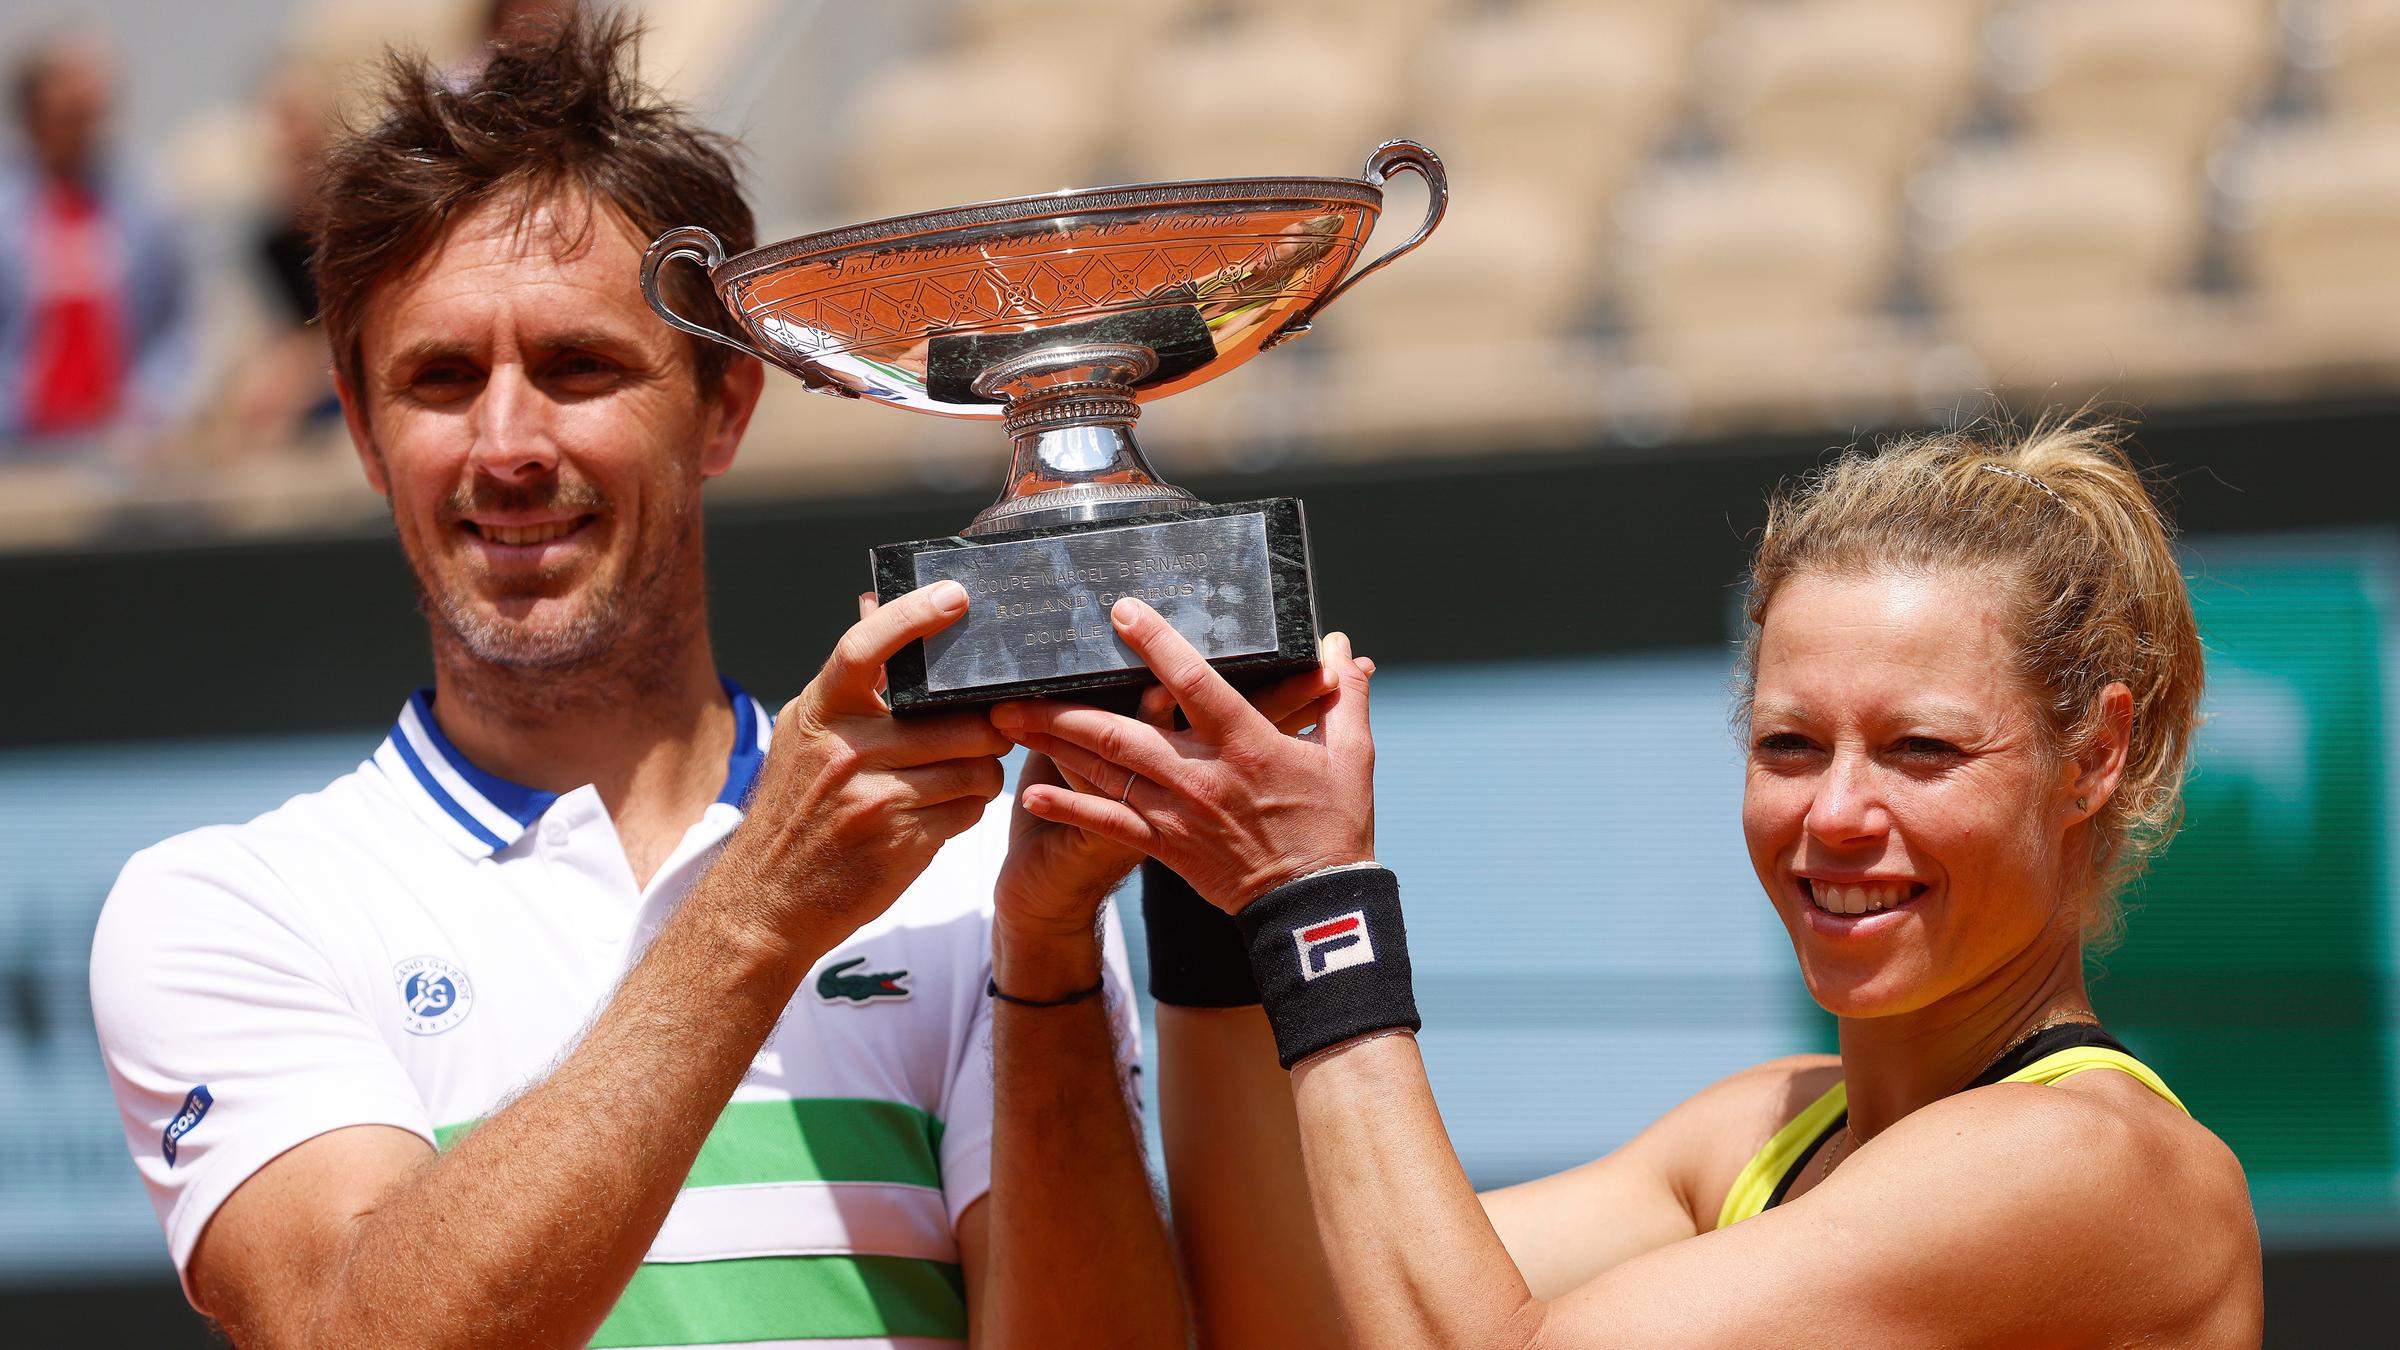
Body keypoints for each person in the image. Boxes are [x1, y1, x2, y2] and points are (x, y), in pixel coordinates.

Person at [88, 18, 1190, 1348]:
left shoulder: (966, 886)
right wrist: (759, 912)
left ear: (726, 402)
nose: (506, 443)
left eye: (576, 366)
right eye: (439, 380)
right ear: (366, 431)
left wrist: (1052, 951)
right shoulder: (227, 909)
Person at [995, 419, 2267, 1347]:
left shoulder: (2094, 1164)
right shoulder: (1759, 1133)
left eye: (1922, 750)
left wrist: (1314, 899)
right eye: (1787, 745)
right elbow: (1303, 1322)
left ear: (2093, 757)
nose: (1834, 814)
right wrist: (1195, 876)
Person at [0, 27, 193, 449]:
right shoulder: (8, 208)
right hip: (16, 442)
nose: (85, 127)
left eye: (94, 111)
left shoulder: (144, 201)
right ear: (33, 111)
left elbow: (179, 321)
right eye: (70, 112)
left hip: (118, 442)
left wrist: (152, 401)